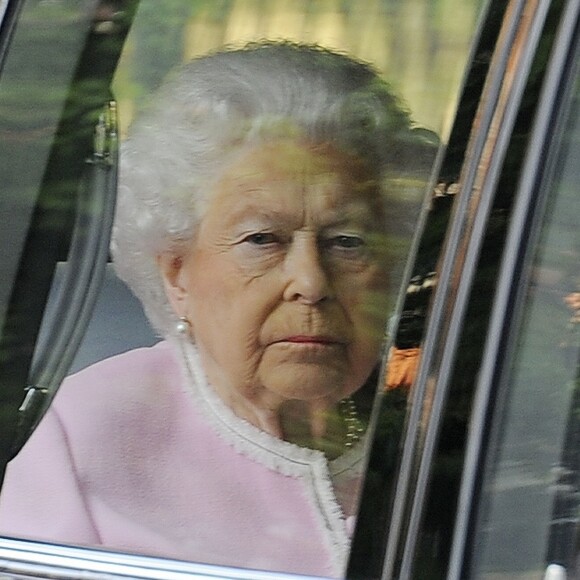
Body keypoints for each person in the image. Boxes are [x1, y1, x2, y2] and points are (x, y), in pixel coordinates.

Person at [0, 42, 435, 577]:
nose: (310, 281)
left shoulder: (442, 421)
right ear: (177, 271)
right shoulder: (75, 439)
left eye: (347, 240)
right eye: (262, 239)